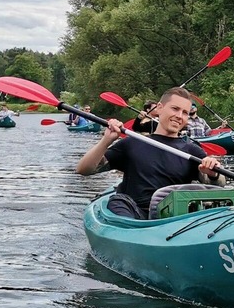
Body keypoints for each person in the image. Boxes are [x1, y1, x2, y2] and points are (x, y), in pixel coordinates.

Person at [75, 87, 225, 218]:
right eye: (175, 109)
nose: (179, 116)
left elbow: (219, 184)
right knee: (118, 201)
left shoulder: (191, 150)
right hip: (134, 212)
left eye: (185, 112)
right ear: (159, 108)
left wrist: (213, 173)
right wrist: (106, 141)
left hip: (173, 216)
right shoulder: (132, 143)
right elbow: (84, 170)